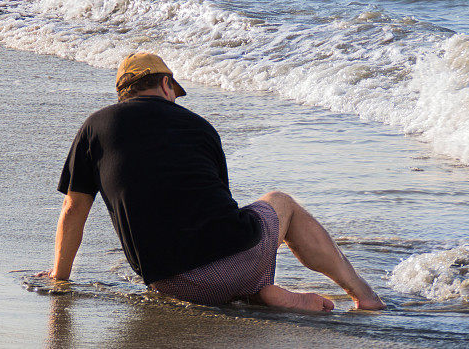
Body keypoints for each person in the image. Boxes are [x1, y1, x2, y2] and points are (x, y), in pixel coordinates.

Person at [40, 52, 385, 312]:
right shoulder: (200, 126)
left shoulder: (95, 127)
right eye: (174, 91)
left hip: (169, 283)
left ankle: (258, 291)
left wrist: (60, 277)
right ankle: (363, 296)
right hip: (234, 262)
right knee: (281, 202)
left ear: (123, 94)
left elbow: (74, 209)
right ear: (165, 85)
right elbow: (218, 206)